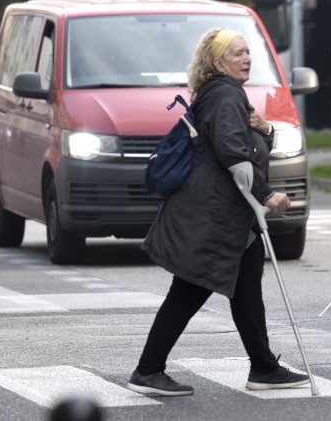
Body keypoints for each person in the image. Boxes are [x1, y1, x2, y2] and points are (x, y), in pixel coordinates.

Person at [126, 27, 310, 396]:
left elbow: (244, 143)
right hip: (213, 216)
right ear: (218, 62)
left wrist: (267, 130)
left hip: (228, 216)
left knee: (246, 293)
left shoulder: (225, 94)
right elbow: (231, 150)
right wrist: (267, 193)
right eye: (238, 53)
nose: (247, 58)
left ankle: (263, 367)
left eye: (247, 52)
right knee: (188, 292)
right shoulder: (225, 95)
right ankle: (147, 371)